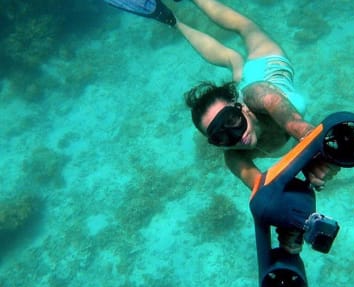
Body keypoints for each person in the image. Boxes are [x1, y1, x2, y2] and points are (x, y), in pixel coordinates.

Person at [105, 0, 339, 254]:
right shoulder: (235, 156)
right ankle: (172, 20)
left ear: (241, 107)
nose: (236, 136)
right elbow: (264, 189)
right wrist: (291, 225)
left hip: (267, 66)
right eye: (220, 135)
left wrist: (315, 147)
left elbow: (287, 115)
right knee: (232, 59)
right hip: (242, 91)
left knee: (245, 29)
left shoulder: (258, 95)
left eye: (231, 121)